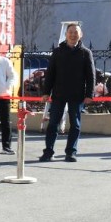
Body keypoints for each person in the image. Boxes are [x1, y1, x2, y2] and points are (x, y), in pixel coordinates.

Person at [40, 24, 95, 162]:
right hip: (59, 94)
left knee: (75, 124)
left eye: (75, 32)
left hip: (77, 95)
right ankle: (48, 151)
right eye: (70, 32)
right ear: (66, 34)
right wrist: (46, 92)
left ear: (80, 35)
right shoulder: (58, 51)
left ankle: (71, 152)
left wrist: (89, 94)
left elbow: (91, 75)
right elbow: (50, 73)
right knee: (53, 123)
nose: (72, 35)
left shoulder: (85, 52)